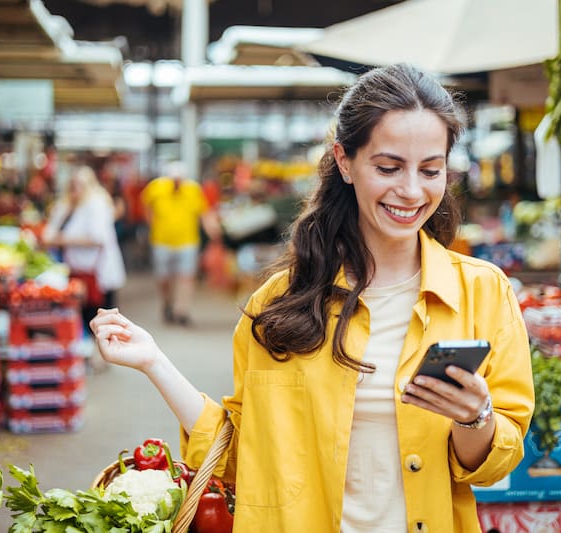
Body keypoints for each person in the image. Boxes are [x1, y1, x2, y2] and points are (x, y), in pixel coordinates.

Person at [90, 64, 535, 532]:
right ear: (345, 161)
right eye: (388, 167)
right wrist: (154, 363)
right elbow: (244, 457)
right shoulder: (282, 301)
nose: (411, 190)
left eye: (431, 170)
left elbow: (493, 465)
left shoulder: (483, 293)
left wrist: (474, 417)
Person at [43, 165, 126, 327]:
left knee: (100, 319)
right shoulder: (65, 205)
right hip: (74, 271)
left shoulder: (96, 204)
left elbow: (98, 238)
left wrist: (63, 240)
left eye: (79, 185)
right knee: (82, 318)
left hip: (97, 272)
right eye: (73, 185)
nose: (75, 189)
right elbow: (50, 232)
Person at [140, 161, 219, 326]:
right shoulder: (156, 188)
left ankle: (181, 311)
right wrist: (151, 224)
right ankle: (167, 303)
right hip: (162, 240)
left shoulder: (193, 190)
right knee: (164, 278)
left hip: (187, 241)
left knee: (186, 277)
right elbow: (147, 207)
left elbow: (203, 212)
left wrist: (212, 229)